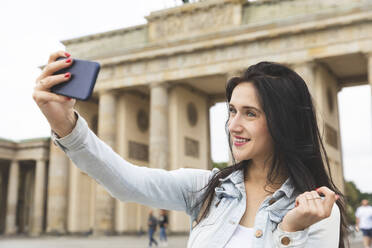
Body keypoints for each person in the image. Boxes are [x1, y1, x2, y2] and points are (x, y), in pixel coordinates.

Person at [33, 51, 349, 248]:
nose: (233, 125)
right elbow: (125, 181)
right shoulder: (207, 189)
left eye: (250, 114)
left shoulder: (316, 211)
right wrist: (66, 126)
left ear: (283, 122)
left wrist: (290, 231)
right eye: (232, 111)